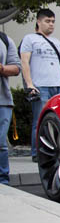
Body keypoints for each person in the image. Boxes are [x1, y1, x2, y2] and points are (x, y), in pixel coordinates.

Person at [20, 8, 60, 162]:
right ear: (39, 22)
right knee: (39, 120)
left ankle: (54, 150)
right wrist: (29, 84)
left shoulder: (57, 42)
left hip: (56, 86)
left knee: (57, 121)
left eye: (53, 21)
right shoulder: (30, 39)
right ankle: (37, 153)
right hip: (40, 86)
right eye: (47, 21)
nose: (51, 24)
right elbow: (24, 61)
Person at [0, 31, 21, 185]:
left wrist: (2, 68)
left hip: (3, 99)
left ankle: (3, 181)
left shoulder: (5, 40)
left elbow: (16, 67)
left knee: (0, 143)